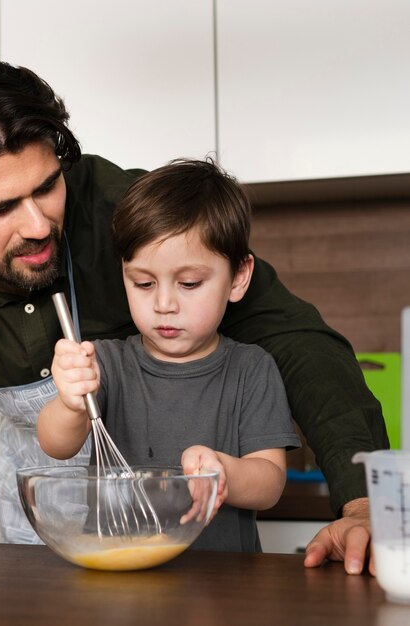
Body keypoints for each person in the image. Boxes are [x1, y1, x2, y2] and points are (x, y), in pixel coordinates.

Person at [0, 53, 385, 571]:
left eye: (47, 186)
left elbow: (299, 341)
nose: (37, 225)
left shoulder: (129, 213)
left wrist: (363, 503)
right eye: (1, 207)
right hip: (32, 531)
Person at [38, 159, 302, 551]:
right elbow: (54, 444)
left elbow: (269, 484)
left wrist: (223, 470)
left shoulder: (251, 369)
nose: (164, 303)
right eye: (143, 283)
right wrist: (71, 404)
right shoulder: (107, 363)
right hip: (120, 579)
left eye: (189, 283)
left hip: (222, 587)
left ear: (239, 277)